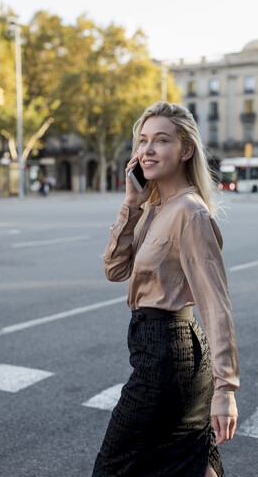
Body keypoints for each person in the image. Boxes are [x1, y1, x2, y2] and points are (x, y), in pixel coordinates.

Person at [92, 102, 239, 477]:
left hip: (168, 359)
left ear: (186, 149)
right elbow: (115, 269)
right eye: (142, 141)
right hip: (159, 352)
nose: (148, 150)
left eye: (161, 140)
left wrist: (226, 390)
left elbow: (215, 303)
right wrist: (131, 204)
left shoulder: (190, 212)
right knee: (189, 463)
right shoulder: (156, 207)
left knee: (114, 466)